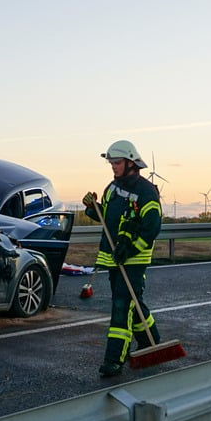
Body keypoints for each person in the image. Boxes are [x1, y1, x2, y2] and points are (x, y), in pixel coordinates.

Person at [82, 140, 163, 377]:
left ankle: (114, 359)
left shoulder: (146, 191)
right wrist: (91, 207)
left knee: (121, 305)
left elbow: (152, 227)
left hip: (134, 259)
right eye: (111, 163)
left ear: (130, 162)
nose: (113, 167)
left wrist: (132, 248)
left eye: (116, 163)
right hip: (113, 258)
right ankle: (152, 339)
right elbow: (107, 218)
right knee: (132, 301)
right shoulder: (111, 188)